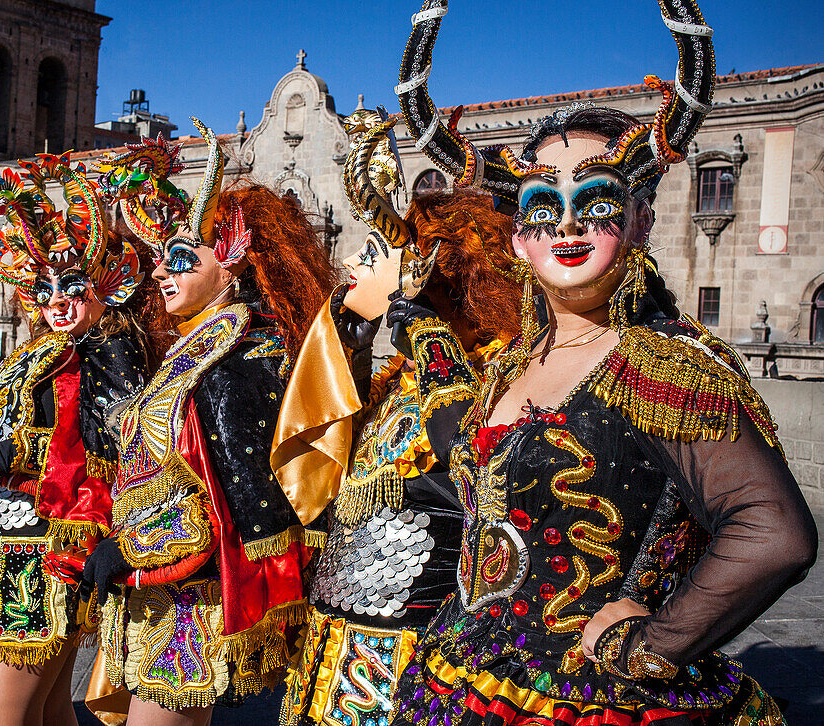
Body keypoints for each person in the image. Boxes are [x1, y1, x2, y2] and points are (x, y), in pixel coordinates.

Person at [385, 2, 817, 725]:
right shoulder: (509, 366)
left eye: (595, 201)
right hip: (456, 682)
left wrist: (653, 643)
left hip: (588, 700)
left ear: (640, 221)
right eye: (539, 204)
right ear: (517, 238)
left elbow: (773, 531)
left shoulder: (661, 364)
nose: (566, 224)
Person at [79, 119, 337, 726]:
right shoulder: (196, 347)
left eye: (178, 259)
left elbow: (227, 490)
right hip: (154, 590)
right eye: (157, 262)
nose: (160, 275)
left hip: (190, 594)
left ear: (232, 261)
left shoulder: (244, 356)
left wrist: (132, 549)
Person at [272, 109, 522, 726]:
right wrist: (354, 330)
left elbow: (465, 448)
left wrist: (421, 324)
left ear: (423, 268)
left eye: (375, 252)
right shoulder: (395, 382)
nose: (355, 265)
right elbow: (327, 426)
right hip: (335, 637)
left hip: (408, 655)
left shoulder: (478, 381)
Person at [0, 154, 149, 726]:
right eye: (44, 286)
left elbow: (98, 439)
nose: (57, 299)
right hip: (15, 539)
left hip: (46, 549)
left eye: (74, 285)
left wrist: (8, 454)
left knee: (2, 713)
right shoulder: (42, 351)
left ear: (111, 285)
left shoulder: (106, 354)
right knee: (49, 706)